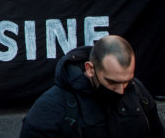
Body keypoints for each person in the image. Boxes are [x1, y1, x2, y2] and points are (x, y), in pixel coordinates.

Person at [20, 35, 165, 137]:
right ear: (90, 69)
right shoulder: (48, 110)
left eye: (127, 81)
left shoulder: (139, 93)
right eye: (112, 82)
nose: (121, 91)